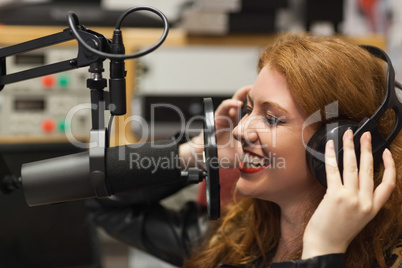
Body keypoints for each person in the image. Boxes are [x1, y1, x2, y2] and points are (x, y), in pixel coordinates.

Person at [89, 34, 401, 267]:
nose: (239, 130)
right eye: (248, 109)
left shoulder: (387, 257)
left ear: (337, 141)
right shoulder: (236, 235)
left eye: (271, 118)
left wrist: (323, 250)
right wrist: (196, 152)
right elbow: (104, 202)